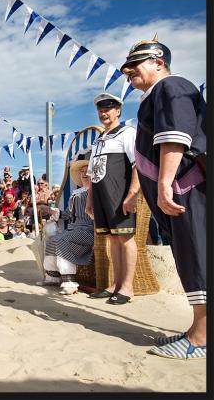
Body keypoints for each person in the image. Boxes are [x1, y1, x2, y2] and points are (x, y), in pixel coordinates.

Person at [120, 35, 206, 359]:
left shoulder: (171, 86)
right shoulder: (155, 95)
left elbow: (176, 137)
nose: (129, 75)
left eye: (135, 67)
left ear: (158, 62)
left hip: (188, 186)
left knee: (197, 255)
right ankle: (198, 328)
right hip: (182, 188)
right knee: (190, 255)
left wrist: (165, 183)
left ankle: (201, 338)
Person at [86, 92, 139, 305]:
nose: (103, 112)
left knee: (125, 239)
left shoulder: (127, 133)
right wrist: (90, 199)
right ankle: (115, 284)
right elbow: (91, 174)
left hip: (120, 195)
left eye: (108, 108)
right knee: (113, 239)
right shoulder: (98, 140)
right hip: (101, 195)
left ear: (118, 111)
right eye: (100, 109)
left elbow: (138, 165)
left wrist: (133, 194)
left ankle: (128, 287)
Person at [37, 150, 94, 295]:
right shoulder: (76, 193)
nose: (84, 173)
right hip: (74, 230)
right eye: (82, 171)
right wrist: (58, 213)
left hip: (90, 231)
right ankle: (53, 278)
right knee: (52, 240)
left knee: (61, 240)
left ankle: (69, 282)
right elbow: (69, 215)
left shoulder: (97, 191)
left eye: (87, 170)